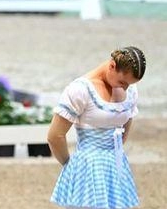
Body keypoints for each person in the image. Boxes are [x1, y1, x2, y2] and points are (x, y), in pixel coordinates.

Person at [48, 46, 146, 209]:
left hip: (116, 164)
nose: (126, 88)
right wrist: (69, 164)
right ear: (112, 66)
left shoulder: (129, 89)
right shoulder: (80, 90)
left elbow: (128, 118)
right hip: (87, 166)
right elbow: (54, 136)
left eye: (130, 84)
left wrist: (118, 147)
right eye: (123, 82)